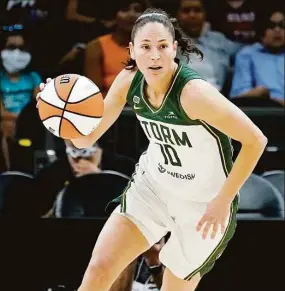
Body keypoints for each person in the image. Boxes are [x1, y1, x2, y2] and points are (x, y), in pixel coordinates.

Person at [37, 8, 267, 291]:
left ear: (174, 49)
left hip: (203, 202)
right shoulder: (128, 79)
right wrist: (57, 112)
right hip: (154, 187)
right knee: (99, 269)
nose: (154, 55)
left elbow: (256, 141)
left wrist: (222, 201)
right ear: (132, 50)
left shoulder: (194, 94)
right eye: (145, 47)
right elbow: (86, 139)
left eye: (162, 46)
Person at [176, 0, 239, 91]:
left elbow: (244, 51)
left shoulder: (219, 40)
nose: (192, 15)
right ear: (177, 15)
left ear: (205, 14)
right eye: (186, 11)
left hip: (216, 99)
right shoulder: (168, 43)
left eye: (197, 10)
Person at [230, 10, 284, 105]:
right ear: (261, 30)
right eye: (271, 26)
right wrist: (261, 95)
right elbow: (239, 96)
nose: (277, 30)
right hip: (265, 111)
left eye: (282, 26)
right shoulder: (247, 55)